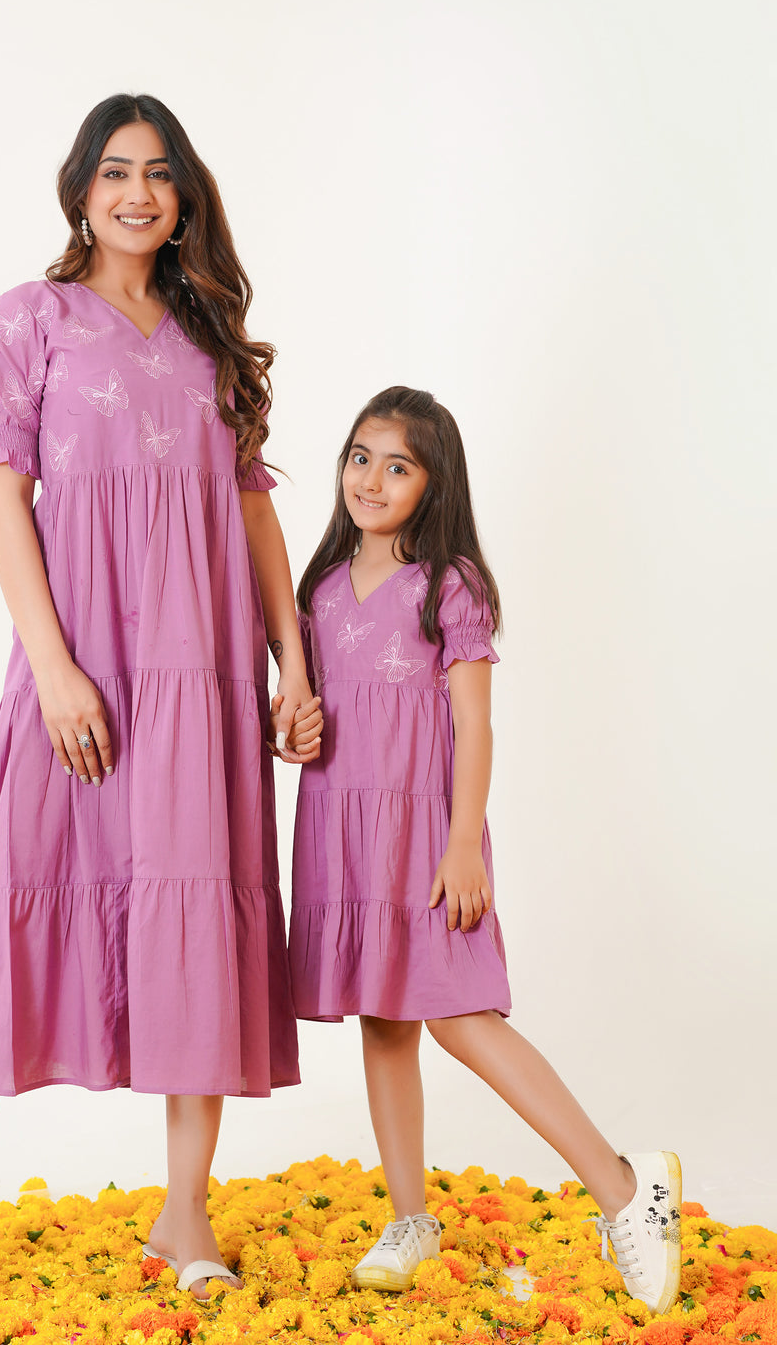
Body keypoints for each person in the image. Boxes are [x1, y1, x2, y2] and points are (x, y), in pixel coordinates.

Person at [0, 93, 322, 1310]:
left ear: (184, 197)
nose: (139, 193)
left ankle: (184, 1211)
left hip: (203, 672)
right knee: (23, 897)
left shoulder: (209, 335)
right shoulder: (29, 318)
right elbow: (3, 491)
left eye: (160, 174)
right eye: (116, 172)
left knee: (197, 909)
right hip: (77, 661)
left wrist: (292, 661)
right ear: (82, 191)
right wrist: (51, 666)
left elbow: (251, 507)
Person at [288, 386, 681, 1313]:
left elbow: (475, 725)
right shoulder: (323, 588)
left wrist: (464, 842)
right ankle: (410, 1218)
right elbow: (313, 718)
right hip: (343, 834)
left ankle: (626, 1188)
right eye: (360, 457)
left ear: (435, 484)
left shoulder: (448, 584)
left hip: (425, 835)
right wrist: (292, 732)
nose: (371, 480)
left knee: (462, 1018)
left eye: (398, 466)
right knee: (383, 1020)